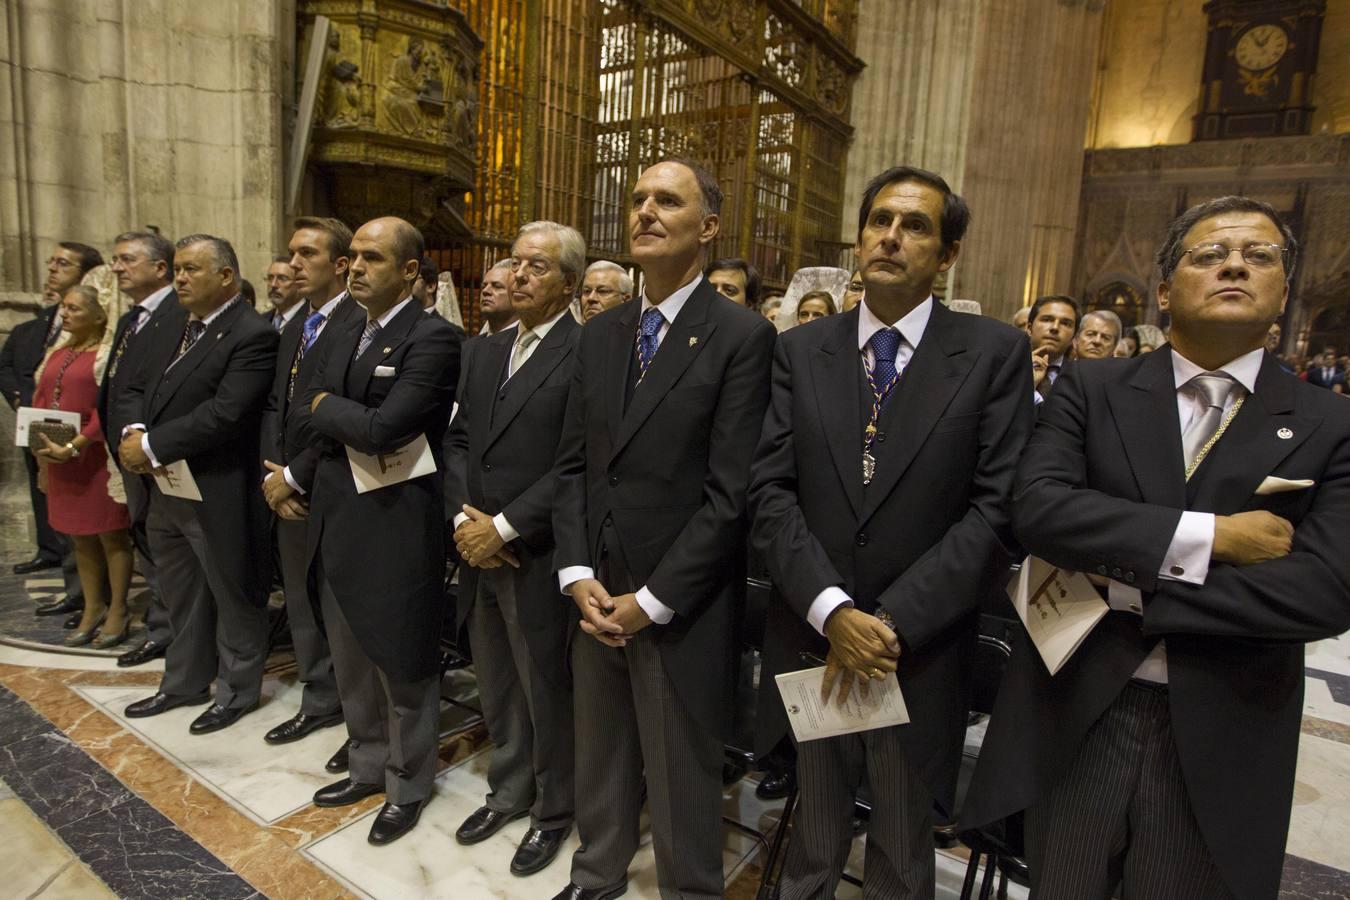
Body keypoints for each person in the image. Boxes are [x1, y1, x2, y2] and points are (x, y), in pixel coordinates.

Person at [964, 196, 1350, 900]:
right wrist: (1212, 538)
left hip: (1223, 723)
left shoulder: (1328, 421)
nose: (1234, 264)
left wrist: (1129, 587)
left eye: (1258, 256)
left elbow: (1324, 590)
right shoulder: (1094, 386)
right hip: (1080, 710)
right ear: (1166, 292)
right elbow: (1042, 511)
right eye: (1209, 254)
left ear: (1285, 294)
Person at [749, 165, 1031, 898]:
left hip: (920, 645)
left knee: (903, 848)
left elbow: (998, 508)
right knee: (813, 836)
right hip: (817, 631)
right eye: (879, 221)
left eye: (915, 226)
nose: (891, 237)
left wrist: (888, 623)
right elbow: (771, 489)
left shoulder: (992, 351)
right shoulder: (802, 350)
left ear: (948, 254)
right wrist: (832, 609)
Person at [550, 159, 775, 900]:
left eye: (667, 201)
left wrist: (651, 599)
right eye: (638, 198)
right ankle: (597, 873)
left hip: (680, 597)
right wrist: (577, 573)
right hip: (598, 584)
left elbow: (729, 492)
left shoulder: (739, 336)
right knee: (601, 751)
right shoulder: (602, 331)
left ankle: (688, 891)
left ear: (707, 227)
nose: (645, 211)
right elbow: (575, 465)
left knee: (680, 770)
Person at [301, 217, 461, 846]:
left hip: (398, 522)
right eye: (352, 257)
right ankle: (366, 762)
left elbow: (384, 429)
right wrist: (327, 409)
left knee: (401, 660)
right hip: (341, 511)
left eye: (371, 258)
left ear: (410, 271)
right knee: (350, 656)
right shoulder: (345, 326)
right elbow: (303, 397)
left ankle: (408, 782)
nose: (354, 267)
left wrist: (324, 408)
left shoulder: (435, 337)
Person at [445, 220, 583, 876]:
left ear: (569, 284)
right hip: (477, 544)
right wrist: (464, 522)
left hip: (538, 549)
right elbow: (459, 442)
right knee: (495, 678)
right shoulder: (486, 351)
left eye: (536, 267)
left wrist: (501, 528)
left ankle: (554, 811)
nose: (519, 276)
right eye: (515, 264)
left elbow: (577, 463)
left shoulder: (586, 354)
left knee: (543, 688)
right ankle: (509, 788)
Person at [117, 235, 277, 735]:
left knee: (231, 591)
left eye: (191, 270)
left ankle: (236, 691)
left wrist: (152, 445)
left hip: (218, 485)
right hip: (165, 483)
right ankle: (182, 681)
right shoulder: (170, 324)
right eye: (178, 270)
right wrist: (133, 430)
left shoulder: (252, 333)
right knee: (179, 588)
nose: (180, 279)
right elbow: (134, 383)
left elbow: (226, 413)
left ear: (226, 277)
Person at [258, 217, 362, 762]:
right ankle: (318, 695)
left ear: (340, 264)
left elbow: (339, 415)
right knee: (301, 599)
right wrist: (272, 474)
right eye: (291, 253)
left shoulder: (357, 322)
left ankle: (357, 712)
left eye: (306, 254)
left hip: (334, 483)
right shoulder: (298, 323)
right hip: (287, 481)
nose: (293, 264)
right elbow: (276, 404)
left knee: (343, 607)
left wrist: (294, 474)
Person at [31, 282, 134, 649]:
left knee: (110, 534)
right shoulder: (60, 352)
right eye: (64, 308)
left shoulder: (105, 355)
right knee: (80, 538)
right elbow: (42, 398)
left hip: (94, 458)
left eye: (75, 308)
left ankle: (119, 609)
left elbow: (104, 409)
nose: (66, 314)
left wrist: (77, 443)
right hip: (59, 458)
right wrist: (36, 442)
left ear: (99, 314)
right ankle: (93, 608)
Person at [0, 242, 101, 612]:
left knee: (93, 526)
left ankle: (97, 600)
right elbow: (16, 367)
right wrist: (22, 401)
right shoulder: (41, 327)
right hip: (41, 424)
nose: (52, 268)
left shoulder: (99, 338)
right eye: (52, 262)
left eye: (64, 263)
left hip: (84, 439)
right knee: (54, 504)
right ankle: (75, 588)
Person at [103, 230, 180, 667]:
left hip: (159, 455)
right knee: (148, 545)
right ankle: (162, 626)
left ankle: (173, 632)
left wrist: (145, 441)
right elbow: (122, 384)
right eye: (116, 260)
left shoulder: (177, 313)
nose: (116, 268)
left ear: (158, 268)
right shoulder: (132, 318)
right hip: (129, 449)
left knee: (168, 549)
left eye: (126, 259)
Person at [1027, 294, 1078, 402]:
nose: (1055, 328)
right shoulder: (1007, 367)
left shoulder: (1080, 378)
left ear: (1074, 336)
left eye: (1065, 323)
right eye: (1047, 320)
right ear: (1029, 328)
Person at [263, 256, 303, 331]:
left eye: (282, 279)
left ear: (299, 283)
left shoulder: (310, 322)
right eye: (270, 278)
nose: (273, 284)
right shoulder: (261, 320)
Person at [479, 259, 518, 335]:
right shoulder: (470, 344)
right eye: (483, 286)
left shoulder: (527, 345)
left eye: (497, 286)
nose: (485, 291)